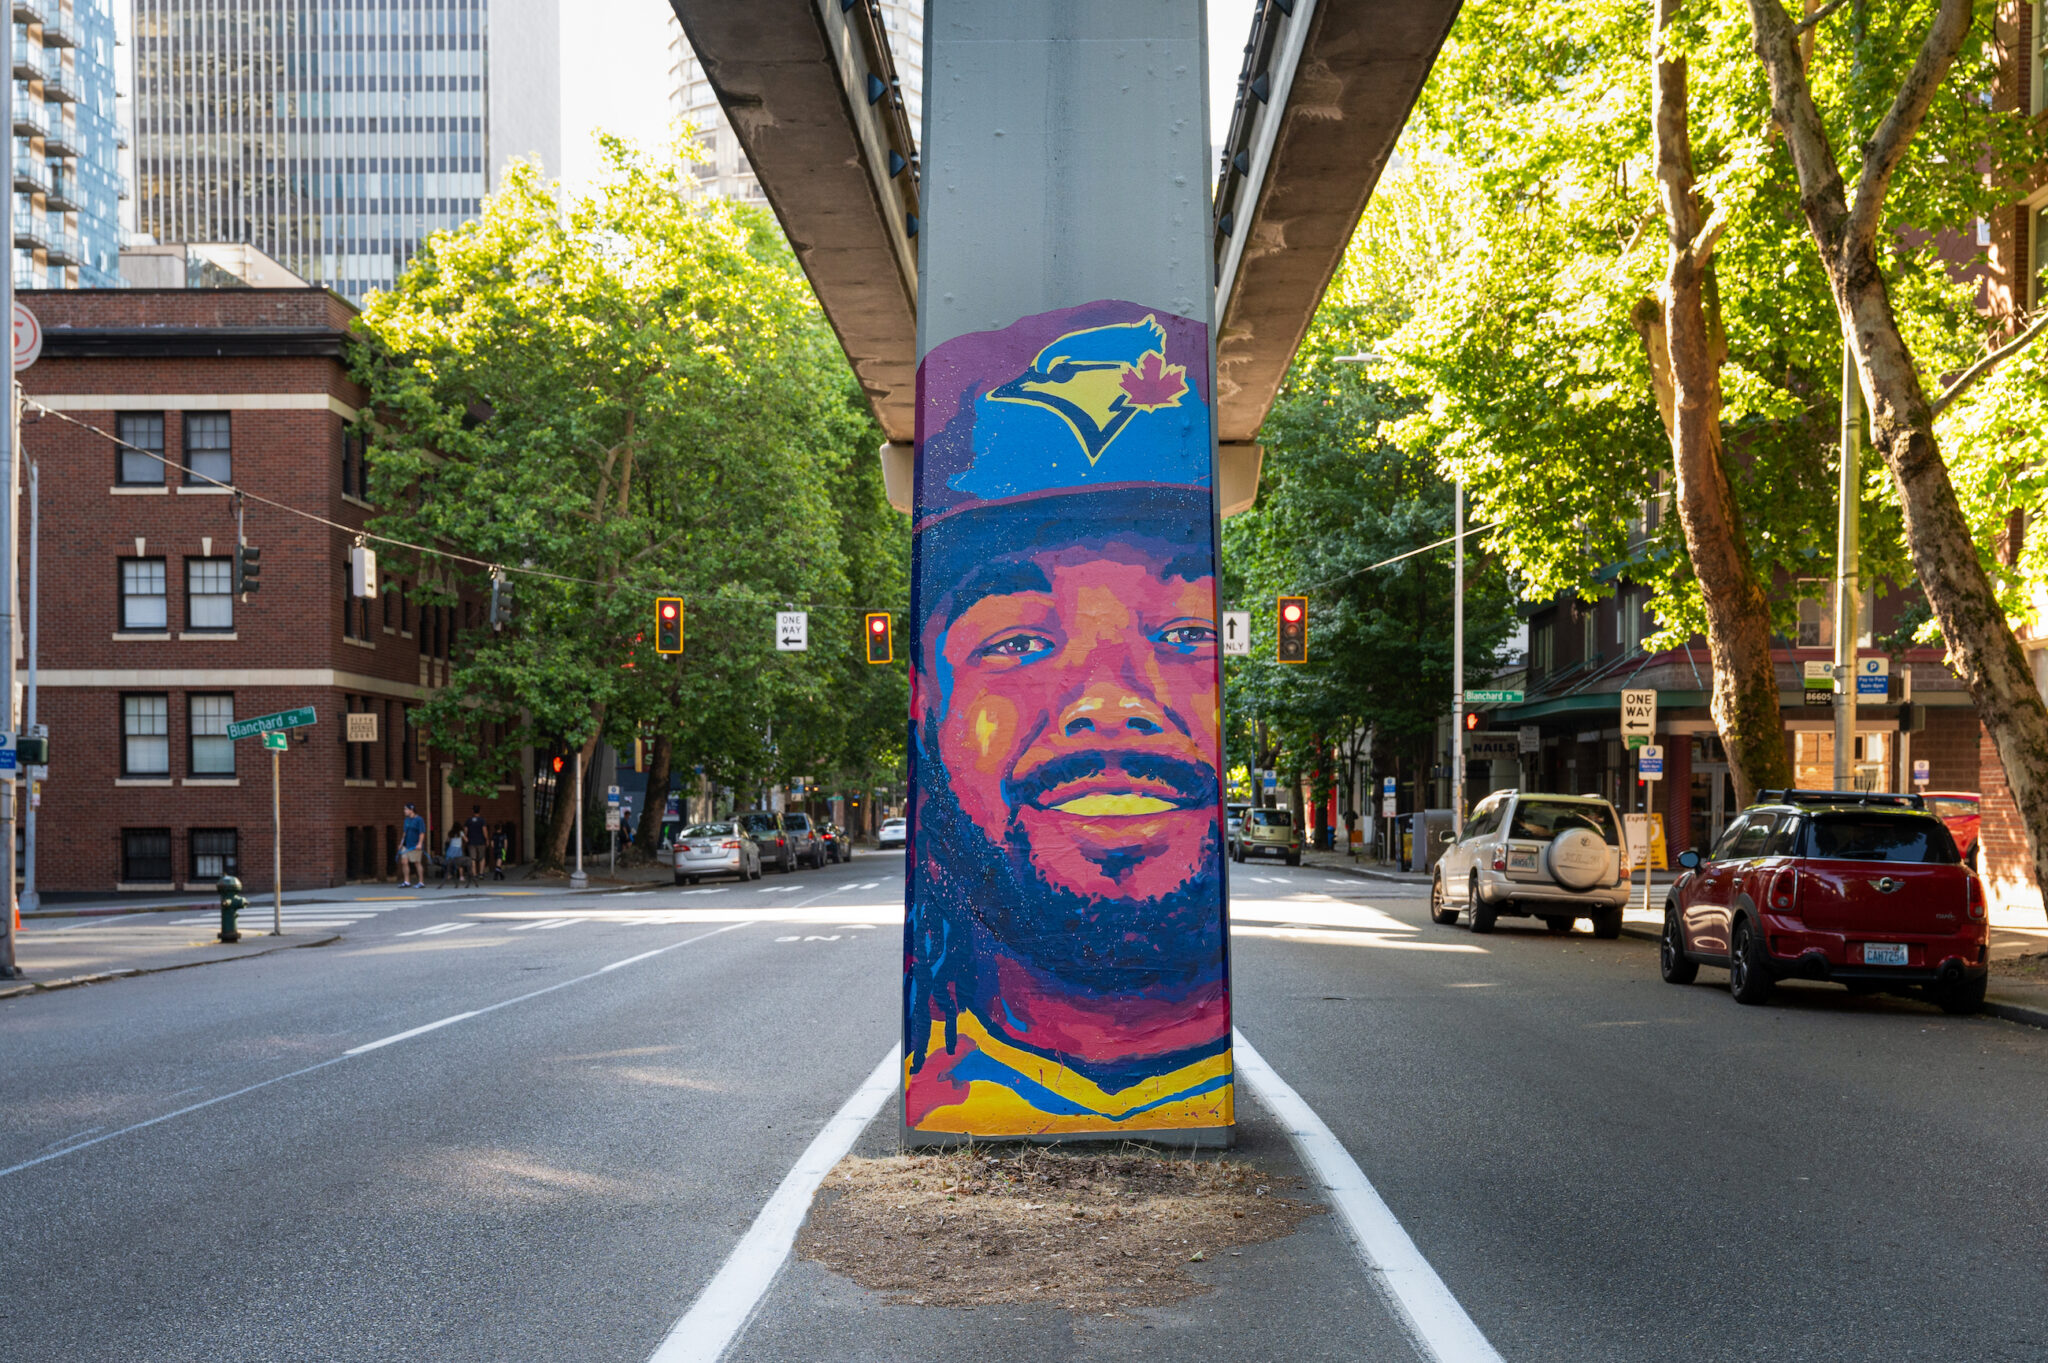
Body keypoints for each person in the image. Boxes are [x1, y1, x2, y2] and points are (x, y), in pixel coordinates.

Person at [903, 301, 1229, 1139]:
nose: (1111, 703)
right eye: (1015, 641)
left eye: (1187, 632)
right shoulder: (944, 1087)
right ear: (926, 708)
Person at [398, 802, 426, 888]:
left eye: (406, 809)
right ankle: (407, 881)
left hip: (415, 845)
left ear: (411, 810)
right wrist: (401, 843)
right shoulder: (406, 820)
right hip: (406, 845)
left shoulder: (419, 820)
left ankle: (421, 882)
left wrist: (420, 843)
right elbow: (404, 832)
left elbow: (422, 832)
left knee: (417, 863)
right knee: (404, 862)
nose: (404, 811)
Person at [464, 804, 489, 877]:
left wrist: (466, 838)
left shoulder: (468, 821)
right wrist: (487, 839)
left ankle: (474, 874)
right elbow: (484, 831)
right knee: (482, 857)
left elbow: (465, 831)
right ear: (479, 811)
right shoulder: (482, 820)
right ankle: (481, 873)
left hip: (471, 842)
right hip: (481, 841)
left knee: (472, 858)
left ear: (472, 811)